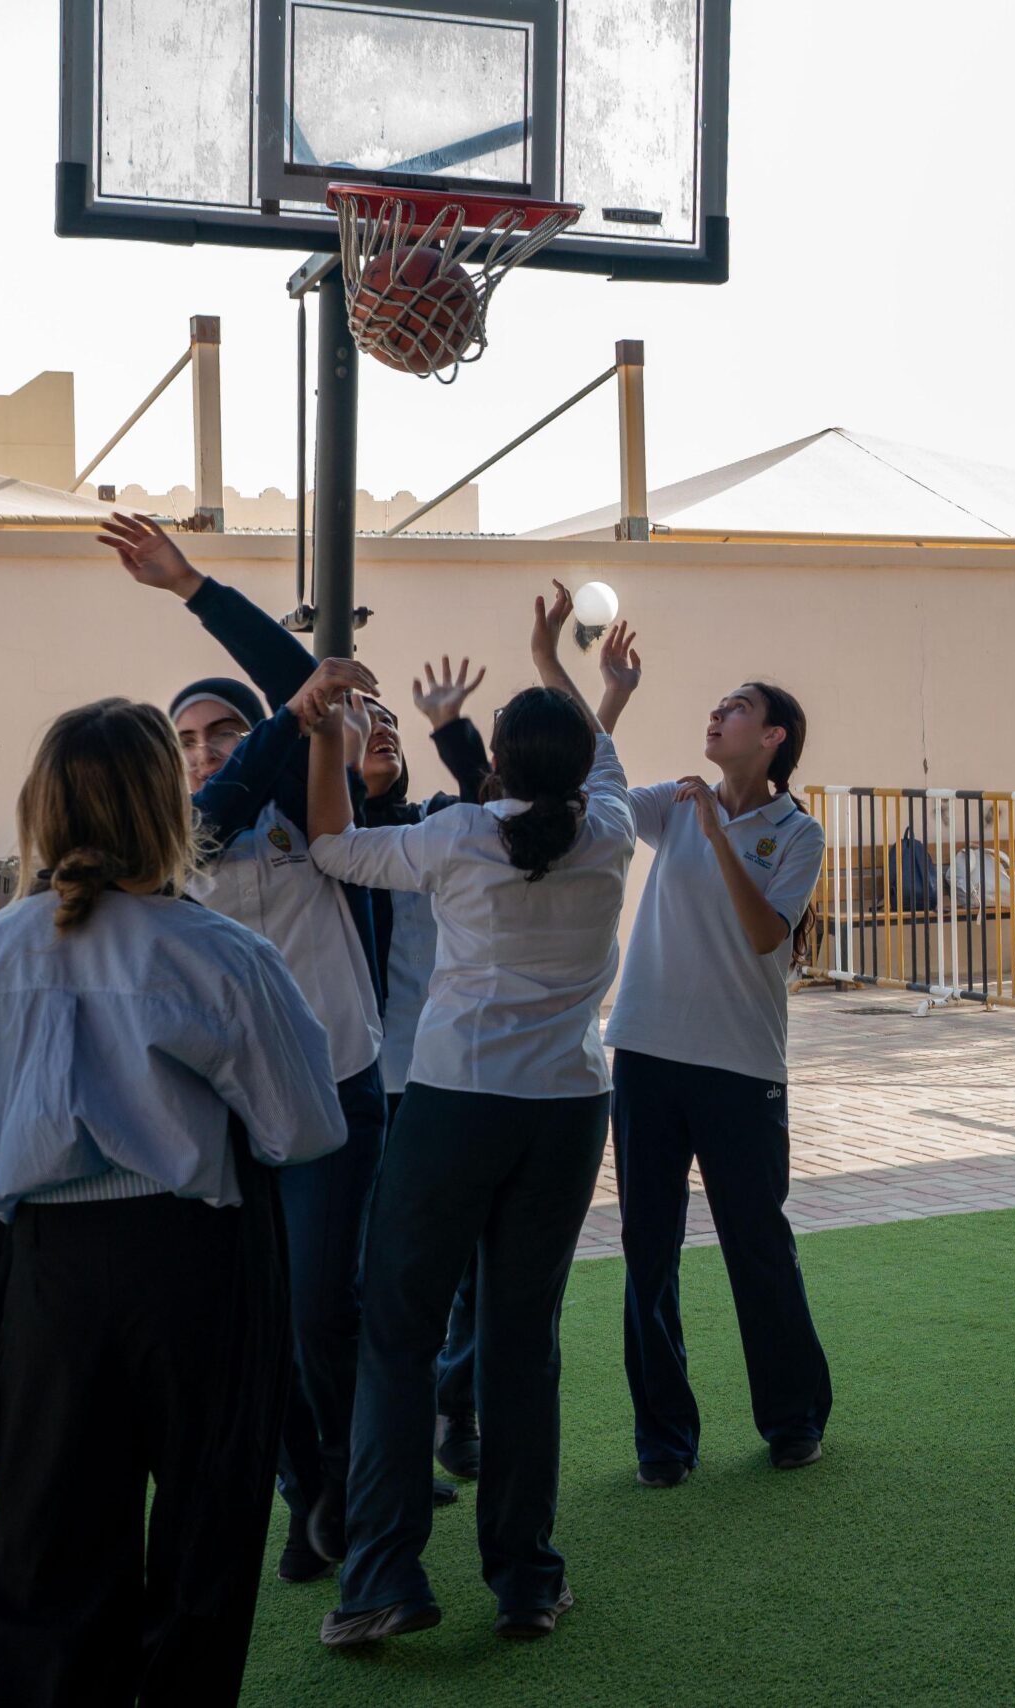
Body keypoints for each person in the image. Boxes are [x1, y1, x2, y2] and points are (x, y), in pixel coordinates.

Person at [0, 697, 346, 1705]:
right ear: (169, 804)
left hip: (46, 1268)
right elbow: (305, 1129)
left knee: (48, 1540)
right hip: (191, 1259)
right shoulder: (217, 952)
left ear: (42, 808)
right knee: (206, 1535)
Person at [304, 586, 641, 1647]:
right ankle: (527, 1579)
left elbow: (329, 845)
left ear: (493, 756)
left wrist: (321, 735)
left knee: (398, 1331)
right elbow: (591, 748)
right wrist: (552, 659)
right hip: (567, 1113)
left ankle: (381, 1578)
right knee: (519, 1344)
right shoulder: (613, 832)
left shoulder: (454, 837)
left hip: (453, 1108)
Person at [99, 512, 391, 1582]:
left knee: (321, 1304)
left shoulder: (290, 792)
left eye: (222, 730)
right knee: (245, 1318)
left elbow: (307, 688)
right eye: (184, 740)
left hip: (332, 1084)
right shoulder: (166, 837)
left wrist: (194, 588)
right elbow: (269, 739)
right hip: (218, 1107)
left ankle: (361, 1495)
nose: (206, 750)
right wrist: (288, 710)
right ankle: (305, 1490)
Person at [604, 680, 833, 1485]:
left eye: (736, 707)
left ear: (773, 738)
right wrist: (607, 692)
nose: (715, 713)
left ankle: (794, 1419)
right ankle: (664, 1440)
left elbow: (768, 933)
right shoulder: (672, 799)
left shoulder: (798, 833)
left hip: (741, 1070)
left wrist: (717, 832)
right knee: (647, 1252)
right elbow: (593, 785)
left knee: (759, 1246)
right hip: (645, 1055)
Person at [358, 659, 497, 1484]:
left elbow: (496, 805)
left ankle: (458, 1408)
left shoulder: (441, 822)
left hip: (442, 1075)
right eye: (361, 721)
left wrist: (451, 728)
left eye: (391, 724)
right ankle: (391, 1441)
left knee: (469, 1258)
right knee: (382, 1266)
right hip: (358, 1081)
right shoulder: (314, 842)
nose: (381, 729)